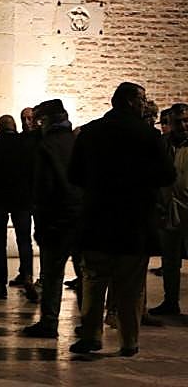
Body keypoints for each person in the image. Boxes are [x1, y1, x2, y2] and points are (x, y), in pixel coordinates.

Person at [68, 82, 176, 356]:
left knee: (93, 280)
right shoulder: (147, 136)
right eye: (142, 99)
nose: (144, 104)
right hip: (134, 219)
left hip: (97, 218)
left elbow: (74, 175)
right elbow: (167, 176)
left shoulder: (90, 132)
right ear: (130, 101)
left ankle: (91, 336)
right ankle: (129, 341)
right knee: (130, 285)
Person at [23, 99, 83, 338]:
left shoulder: (46, 146)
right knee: (85, 275)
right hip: (80, 217)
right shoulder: (77, 142)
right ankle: (89, 324)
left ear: (46, 121)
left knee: (52, 274)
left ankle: (49, 322)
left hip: (56, 220)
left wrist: (41, 221)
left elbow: (43, 188)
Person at [0, 114, 38, 301]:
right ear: (14, 126)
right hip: (22, 199)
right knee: (24, 240)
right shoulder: (26, 145)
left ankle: (0, 284)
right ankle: (28, 276)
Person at [151, 103, 188, 315]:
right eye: (178, 121)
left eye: (186, 121)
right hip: (167, 209)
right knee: (170, 261)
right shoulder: (163, 145)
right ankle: (170, 301)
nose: (182, 125)